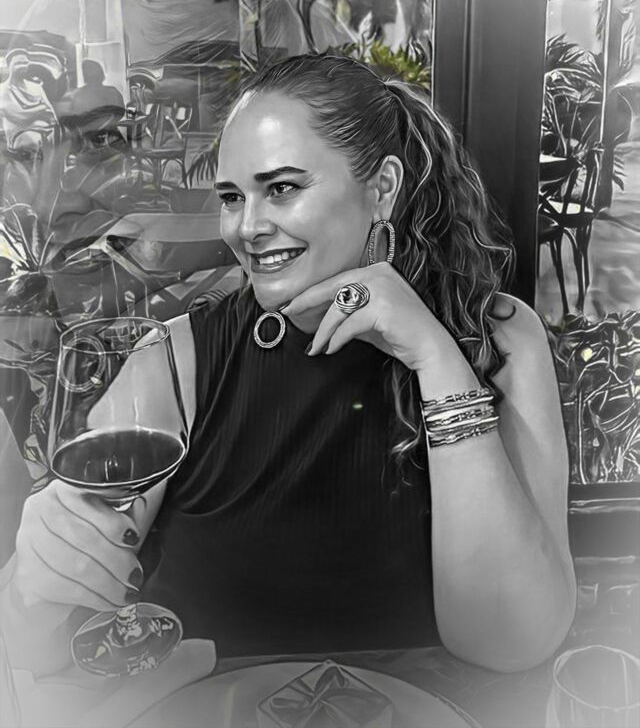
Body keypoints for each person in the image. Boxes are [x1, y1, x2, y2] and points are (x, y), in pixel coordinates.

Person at [0, 54, 576, 676]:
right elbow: (40, 645)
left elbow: (510, 641)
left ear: (382, 188)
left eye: (282, 188)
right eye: (232, 197)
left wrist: (435, 357)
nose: (247, 228)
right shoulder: (175, 360)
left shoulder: (500, 340)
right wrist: (33, 587)